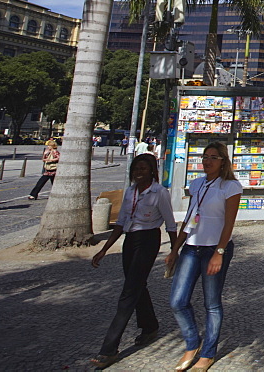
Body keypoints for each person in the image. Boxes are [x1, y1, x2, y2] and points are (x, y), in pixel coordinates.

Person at [90, 154, 178, 369]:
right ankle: (150, 326)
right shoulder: (130, 191)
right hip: (130, 240)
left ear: (151, 171)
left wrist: (174, 252)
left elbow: (171, 225)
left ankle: (109, 349)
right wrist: (104, 250)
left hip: (148, 240)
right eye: (136, 169)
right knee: (137, 285)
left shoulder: (160, 193)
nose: (139, 172)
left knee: (129, 293)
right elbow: (120, 224)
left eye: (143, 169)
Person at [165, 140, 242, 372]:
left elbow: (229, 223)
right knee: (177, 300)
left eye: (213, 157)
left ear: (223, 161)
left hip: (214, 248)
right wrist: (175, 249)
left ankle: (207, 353)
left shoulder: (230, 187)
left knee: (212, 303)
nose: (207, 161)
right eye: (205, 157)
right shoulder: (196, 184)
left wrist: (219, 252)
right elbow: (190, 218)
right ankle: (192, 344)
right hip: (191, 246)